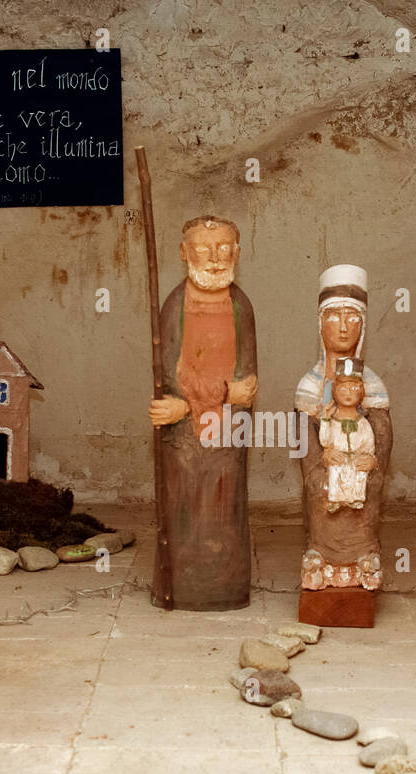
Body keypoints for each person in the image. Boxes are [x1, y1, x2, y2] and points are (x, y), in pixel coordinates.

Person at [148, 216, 257, 610]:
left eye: (224, 247)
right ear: (183, 253)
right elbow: (171, 376)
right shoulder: (174, 306)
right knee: (183, 510)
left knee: (225, 511)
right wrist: (216, 394)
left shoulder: (240, 307)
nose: (214, 257)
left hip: (228, 432)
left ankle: (224, 588)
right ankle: (181, 588)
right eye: (202, 248)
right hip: (182, 435)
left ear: (238, 253)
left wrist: (203, 399)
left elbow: (246, 390)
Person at [296, 266, 390, 594]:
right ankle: (319, 556)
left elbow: (381, 434)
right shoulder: (310, 384)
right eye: (334, 316)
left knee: (368, 489)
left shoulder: (373, 384)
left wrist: (373, 462)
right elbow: (304, 437)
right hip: (326, 466)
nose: (343, 326)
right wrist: (317, 467)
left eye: (352, 317)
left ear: (363, 325)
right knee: (320, 489)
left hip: (360, 465)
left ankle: (365, 557)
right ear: (320, 323)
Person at [320, 359, 375, 512]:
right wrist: (325, 420)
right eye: (343, 388)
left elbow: (369, 442)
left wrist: (368, 456)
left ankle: (357, 498)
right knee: (336, 471)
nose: (349, 393)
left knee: (359, 474)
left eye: (354, 388)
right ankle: (335, 499)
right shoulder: (333, 421)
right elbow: (325, 440)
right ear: (334, 391)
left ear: (361, 391)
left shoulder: (362, 423)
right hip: (338, 456)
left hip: (356, 457)